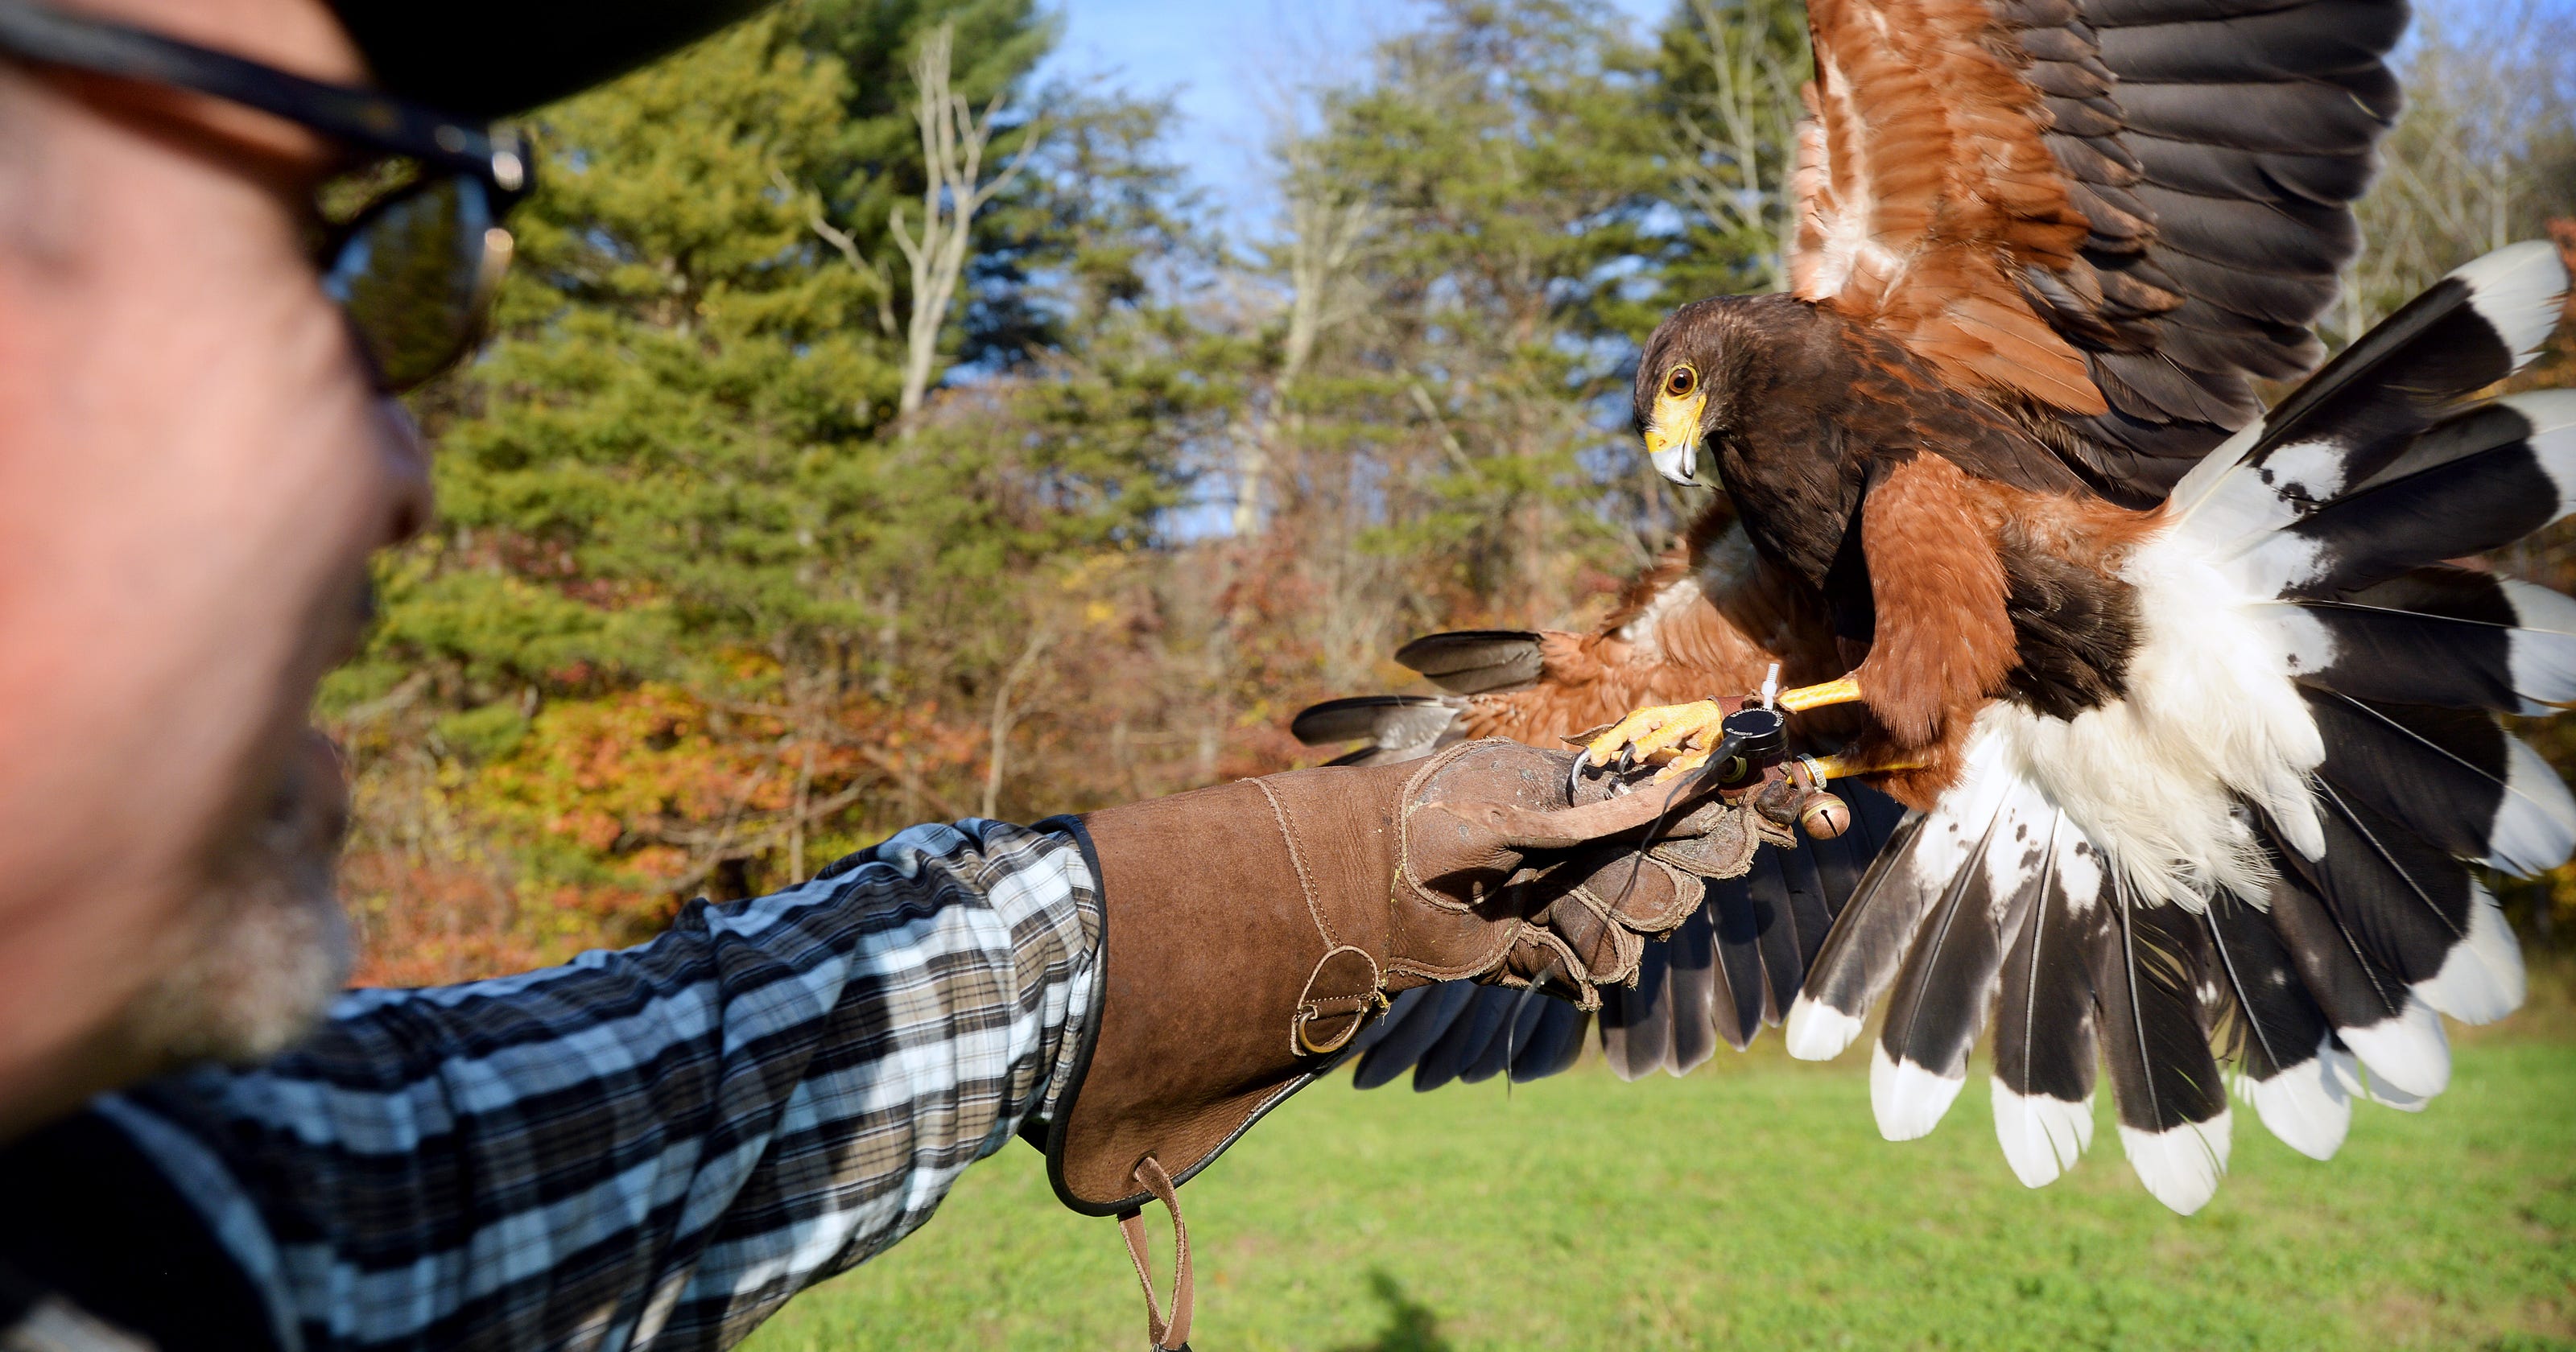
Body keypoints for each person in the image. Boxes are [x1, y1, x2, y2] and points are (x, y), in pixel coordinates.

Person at [0, 2, 1770, 1347]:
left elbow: (651, 1116)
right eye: (370, 255)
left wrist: (1353, 866)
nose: (406, 464)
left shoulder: (130, 1216)